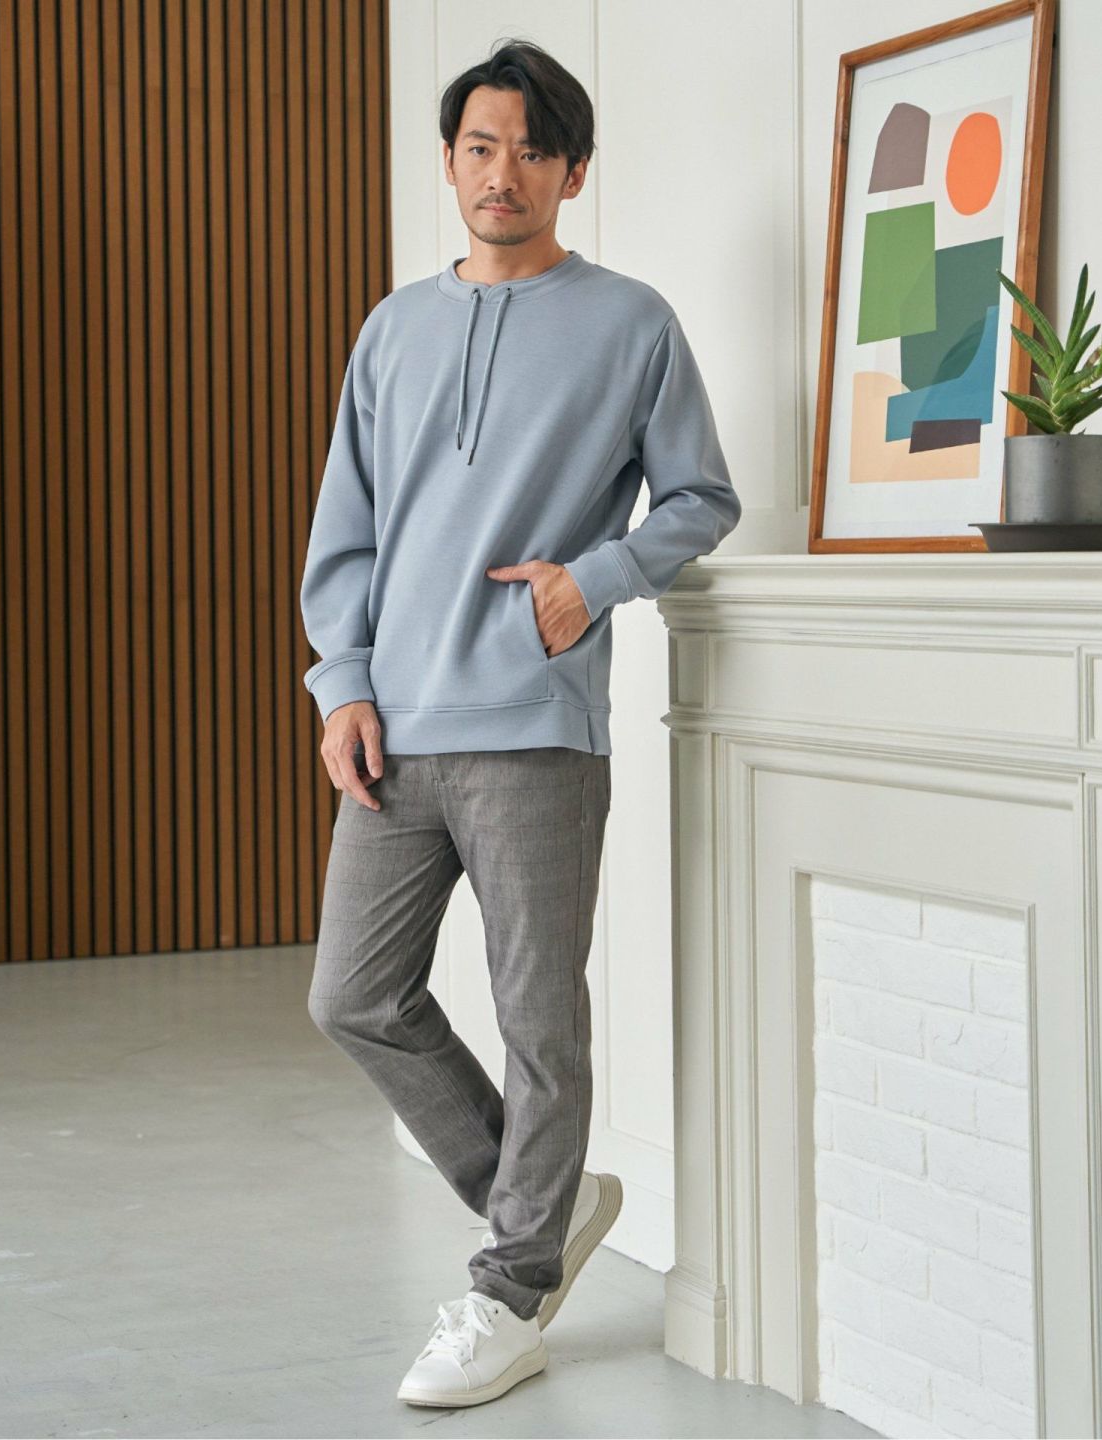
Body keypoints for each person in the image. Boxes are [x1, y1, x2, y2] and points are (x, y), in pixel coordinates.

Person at [300, 37, 741, 1409]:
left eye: (534, 151)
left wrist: (590, 582)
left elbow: (699, 498)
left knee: (536, 1016)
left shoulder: (632, 324)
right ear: (450, 162)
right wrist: (341, 683)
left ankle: (509, 1294)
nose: (506, 173)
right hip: (397, 729)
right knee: (353, 995)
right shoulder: (392, 329)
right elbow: (347, 527)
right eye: (482, 147)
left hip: (537, 731)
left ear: (574, 171)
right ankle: (540, 1210)